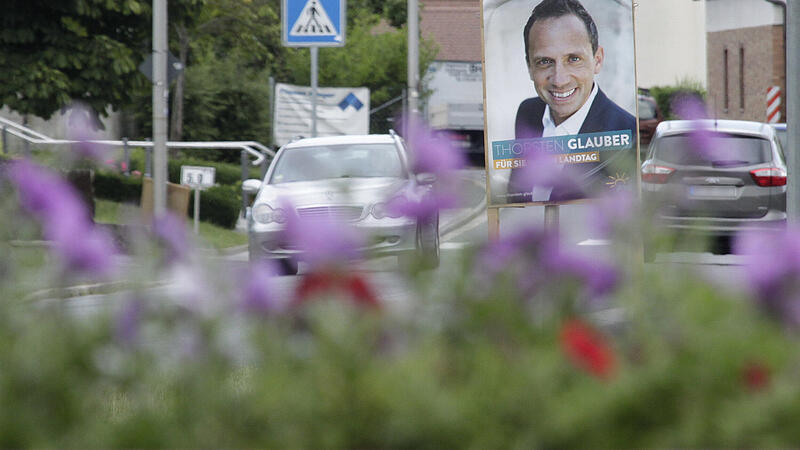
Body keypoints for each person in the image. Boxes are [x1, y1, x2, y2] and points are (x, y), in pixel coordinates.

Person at [506, 0, 636, 203]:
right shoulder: (527, 112)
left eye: (573, 59)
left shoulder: (627, 131)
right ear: (530, 67)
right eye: (545, 62)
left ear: (598, 60)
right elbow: (515, 197)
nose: (560, 80)